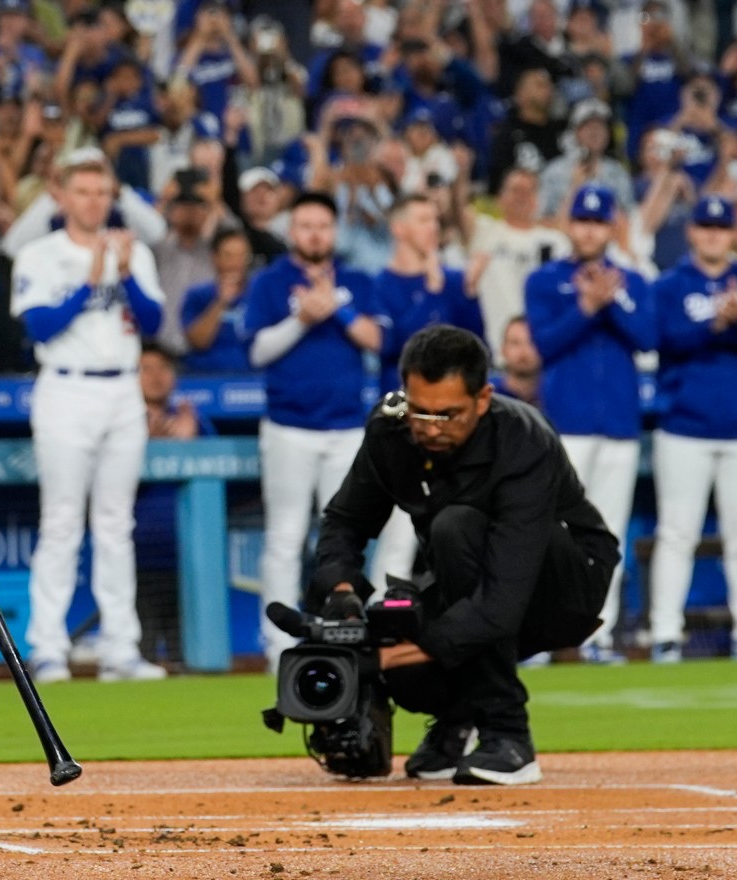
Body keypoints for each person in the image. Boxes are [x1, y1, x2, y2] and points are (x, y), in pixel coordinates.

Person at [310, 325, 620, 786]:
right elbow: (345, 521)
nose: (432, 428)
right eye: (421, 413)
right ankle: (456, 723)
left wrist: (423, 646)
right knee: (398, 638)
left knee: (455, 530)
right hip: (470, 576)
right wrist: (342, 597)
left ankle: (509, 736)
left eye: (448, 415)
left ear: (483, 398)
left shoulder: (523, 440)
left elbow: (504, 598)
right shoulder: (390, 431)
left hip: (565, 580)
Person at [13, 154, 168, 683]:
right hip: (65, 387)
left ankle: (120, 648)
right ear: (62, 196)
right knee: (60, 522)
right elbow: (39, 327)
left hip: (123, 388)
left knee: (114, 525)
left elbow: (152, 321)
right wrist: (91, 280)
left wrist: (122, 274)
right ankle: (49, 647)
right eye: (83, 191)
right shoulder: (40, 254)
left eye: (102, 192)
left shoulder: (134, 251)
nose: (94, 201)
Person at [245, 192, 395, 662]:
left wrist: (338, 309)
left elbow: (378, 340)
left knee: (345, 541)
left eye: (323, 226)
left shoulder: (356, 279)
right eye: (305, 225)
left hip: (347, 428)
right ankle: (279, 646)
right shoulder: (270, 282)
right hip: (289, 425)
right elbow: (257, 351)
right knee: (285, 537)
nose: (314, 234)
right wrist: (301, 317)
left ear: (335, 231)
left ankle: (348, 636)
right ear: (292, 230)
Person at [521, 184, 654, 661]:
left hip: (618, 424)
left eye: (599, 222)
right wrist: (587, 307)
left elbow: (647, 337)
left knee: (607, 533)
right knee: (548, 531)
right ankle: (535, 637)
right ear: (568, 225)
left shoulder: (632, 282)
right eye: (582, 221)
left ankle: (598, 636)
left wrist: (612, 300)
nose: (590, 230)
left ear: (611, 226)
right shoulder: (545, 280)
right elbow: (545, 343)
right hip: (568, 425)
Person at [647, 193, 737, 663]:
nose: (713, 235)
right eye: (705, 227)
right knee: (677, 533)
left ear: (733, 234)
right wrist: (715, 326)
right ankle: (665, 633)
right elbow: (661, 338)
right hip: (685, 425)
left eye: (721, 228)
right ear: (692, 232)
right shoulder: (670, 286)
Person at [373, 194, 486, 343]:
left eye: (435, 220)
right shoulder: (379, 285)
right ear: (398, 229)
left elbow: (474, 340)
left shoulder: (454, 279)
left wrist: (470, 293)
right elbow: (395, 344)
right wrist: (431, 292)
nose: (434, 227)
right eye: (423, 220)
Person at [178, 228, 256, 372]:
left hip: (253, 379)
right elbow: (198, 342)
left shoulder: (260, 294)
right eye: (229, 256)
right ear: (215, 257)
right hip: (206, 378)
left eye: (242, 256)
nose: (236, 263)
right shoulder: (197, 295)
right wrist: (221, 302)